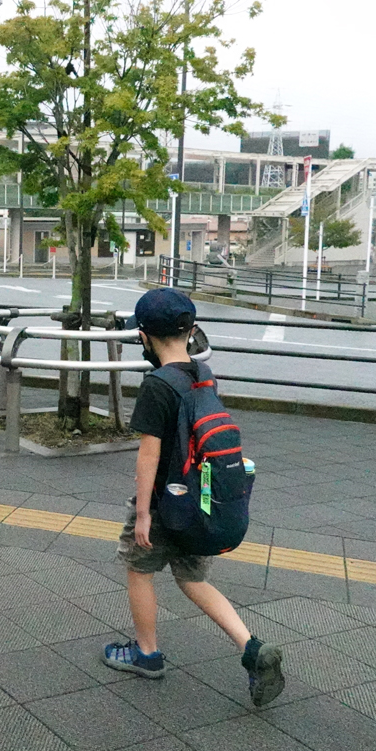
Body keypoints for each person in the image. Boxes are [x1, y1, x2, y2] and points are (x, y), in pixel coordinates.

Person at [102, 289, 285, 707]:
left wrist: (143, 513)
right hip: (201, 502)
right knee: (192, 578)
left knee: (138, 569)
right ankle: (251, 648)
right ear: (192, 331)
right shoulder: (204, 376)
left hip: (165, 503)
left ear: (144, 337)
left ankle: (146, 654)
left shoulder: (157, 386)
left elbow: (148, 455)